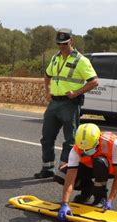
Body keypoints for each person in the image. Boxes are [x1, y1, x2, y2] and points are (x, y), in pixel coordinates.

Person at [34, 28, 99, 179]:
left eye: (64, 43)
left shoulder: (81, 60)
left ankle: (62, 172)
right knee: (47, 137)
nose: (61, 46)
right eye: (59, 44)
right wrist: (47, 90)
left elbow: (94, 81)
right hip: (54, 103)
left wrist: (76, 93)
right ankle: (47, 168)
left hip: (70, 104)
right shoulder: (56, 58)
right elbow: (48, 75)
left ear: (71, 41)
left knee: (70, 140)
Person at [56, 123, 117, 222]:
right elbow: (70, 178)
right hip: (87, 167)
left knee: (99, 162)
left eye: (89, 149)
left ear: (98, 140)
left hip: (106, 168)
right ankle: (87, 190)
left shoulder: (113, 144)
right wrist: (64, 203)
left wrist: (110, 200)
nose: (85, 151)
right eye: (83, 150)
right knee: (61, 175)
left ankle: (100, 197)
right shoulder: (76, 148)